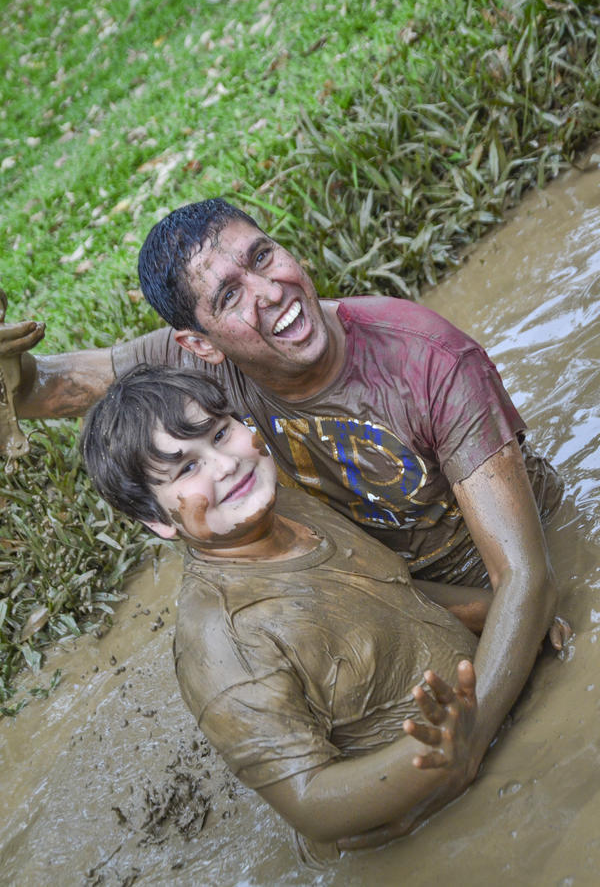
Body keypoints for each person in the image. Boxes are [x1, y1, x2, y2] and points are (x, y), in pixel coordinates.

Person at [1, 198, 569, 796]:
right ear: (199, 345)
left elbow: (526, 579)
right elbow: (47, 389)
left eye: (263, 256)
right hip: (372, 584)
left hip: (507, 557)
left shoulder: (428, 361)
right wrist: (13, 371)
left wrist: (469, 737)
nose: (269, 291)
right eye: (229, 296)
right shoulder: (198, 370)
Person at [81, 363, 490, 858]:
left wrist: (506, 613)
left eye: (220, 433)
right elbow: (313, 808)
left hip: (477, 721)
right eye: (186, 468)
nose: (224, 465)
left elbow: (396, 595)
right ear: (156, 519)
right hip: (429, 826)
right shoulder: (224, 641)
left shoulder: (283, 505)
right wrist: (439, 752)